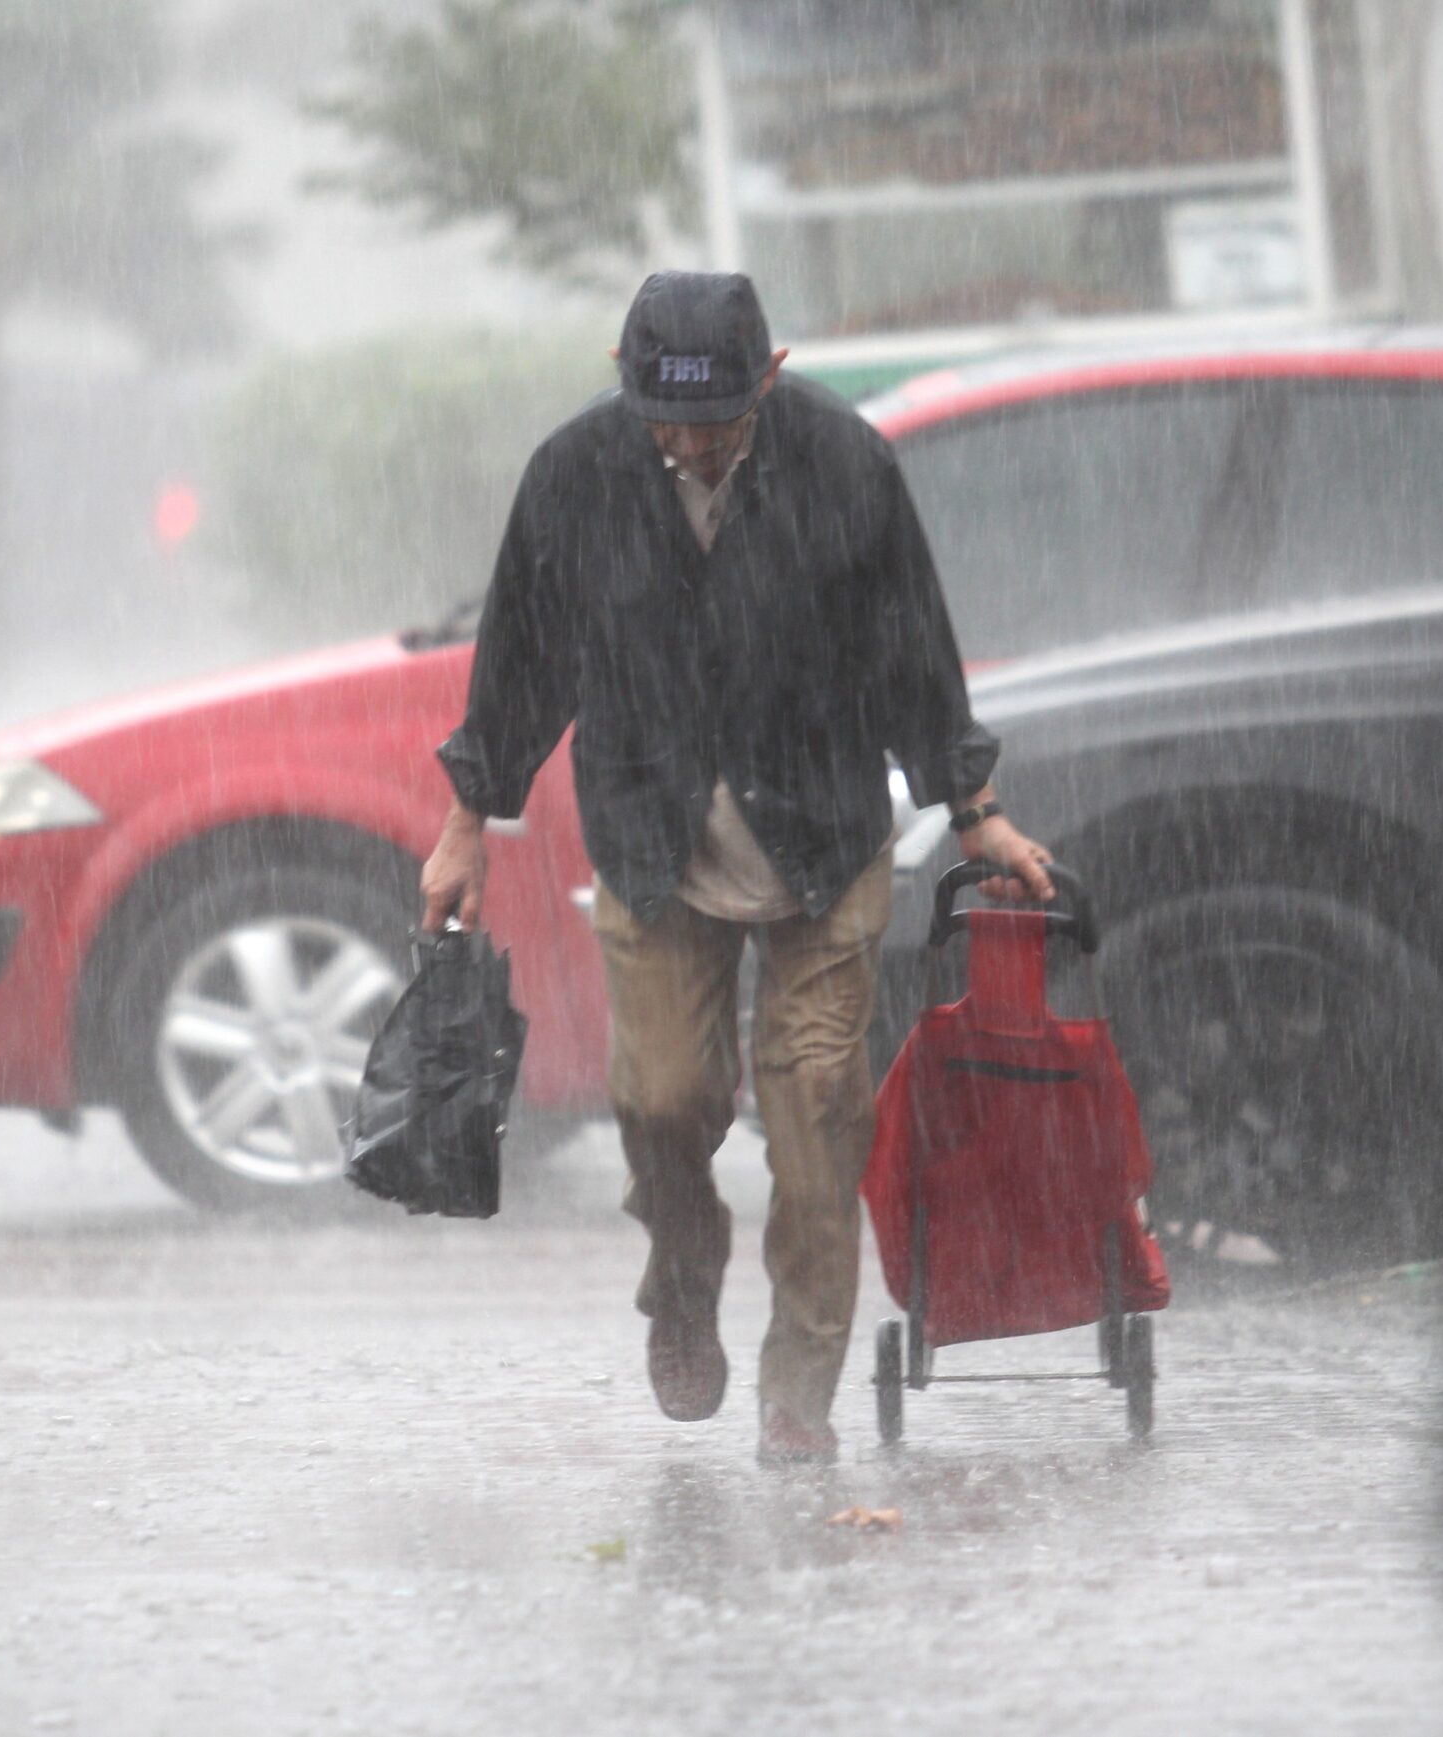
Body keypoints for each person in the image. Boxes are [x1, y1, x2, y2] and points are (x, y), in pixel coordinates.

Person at [422, 271, 1054, 1465]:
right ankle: (683, 1280)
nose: (692, 445)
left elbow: (914, 650)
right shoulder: (575, 477)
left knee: (817, 1109)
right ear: (626, 377)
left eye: (716, 423)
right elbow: (519, 661)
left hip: (819, 835)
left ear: (767, 379)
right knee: (663, 1101)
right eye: (667, 421)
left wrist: (975, 808)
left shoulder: (844, 466)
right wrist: (468, 824)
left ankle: (797, 1394)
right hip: (654, 843)